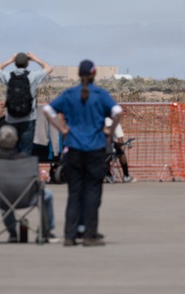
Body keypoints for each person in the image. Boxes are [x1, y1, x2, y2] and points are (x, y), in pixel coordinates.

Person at [43, 60, 123, 247]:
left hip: (74, 148)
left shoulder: (69, 94)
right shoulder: (101, 95)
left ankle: (70, 234)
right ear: (94, 74)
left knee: (75, 192)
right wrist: (109, 133)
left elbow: (47, 109)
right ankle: (89, 233)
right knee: (93, 192)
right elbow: (118, 111)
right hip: (95, 149)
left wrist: (62, 129)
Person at [0, 124, 57, 242]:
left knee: (4, 196)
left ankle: (12, 233)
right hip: (27, 198)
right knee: (48, 195)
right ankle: (46, 231)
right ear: (16, 140)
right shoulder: (26, 160)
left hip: (1, 198)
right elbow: (37, 182)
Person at [0, 51, 53, 156]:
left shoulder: (9, 76)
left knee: (10, 150)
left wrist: (10, 60)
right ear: (27, 63)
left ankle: (11, 171)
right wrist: (35, 58)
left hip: (11, 118)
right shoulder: (33, 76)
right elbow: (49, 68)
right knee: (26, 151)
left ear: (15, 63)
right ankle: (24, 171)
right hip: (29, 117)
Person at [105, 117, 135, 183]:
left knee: (106, 153)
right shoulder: (114, 122)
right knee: (120, 152)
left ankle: (108, 174)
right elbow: (120, 139)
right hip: (109, 149)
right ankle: (126, 176)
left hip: (96, 149)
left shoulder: (97, 120)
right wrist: (124, 145)